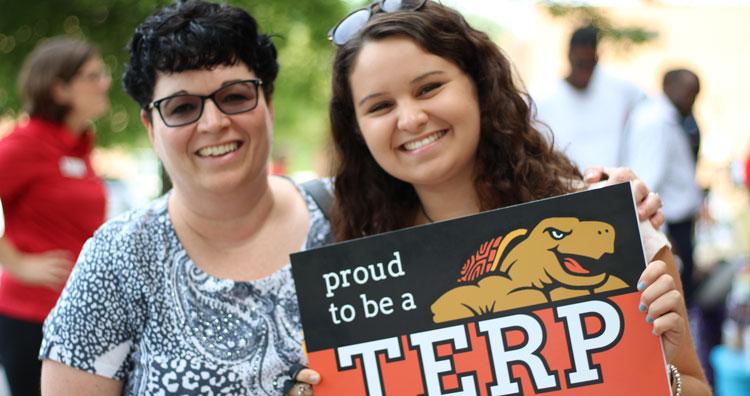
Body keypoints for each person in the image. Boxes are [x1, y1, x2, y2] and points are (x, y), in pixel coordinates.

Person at [326, 1, 710, 395]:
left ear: (479, 85)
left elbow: (694, 384)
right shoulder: (357, 276)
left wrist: (662, 374)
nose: (409, 119)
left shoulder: (610, 221)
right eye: (380, 106)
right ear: (356, 129)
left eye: (429, 88)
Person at [39, 2, 324, 395]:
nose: (214, 123)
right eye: (183, 107)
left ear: (269, 103)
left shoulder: (354, 216)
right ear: (151, 127)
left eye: (236, 96)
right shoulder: (119, 259)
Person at [0, 37, 110, 396]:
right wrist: (17, 263)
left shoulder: (80, 146)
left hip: (79, 314)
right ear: (60, 88)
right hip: (30, 317)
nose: (105, 83)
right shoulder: (25, 144)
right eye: (93, 76)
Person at [623, 69, 704, 305]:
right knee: (678, 301)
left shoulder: (668, 118)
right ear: (670, 86)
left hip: (679, 225)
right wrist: (663, 239)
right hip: (671, 229)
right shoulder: (654, 122)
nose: (693, 100)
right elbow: (645, 185)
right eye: (690, 93)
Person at [533, 25, 644, 172]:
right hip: (563, 186)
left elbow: (649, 113)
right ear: (569, 55)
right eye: (580, 63)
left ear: (597, 59)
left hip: (610, 184)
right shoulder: (541, 96)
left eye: (590, 64)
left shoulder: (620, 90)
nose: (585, 70)